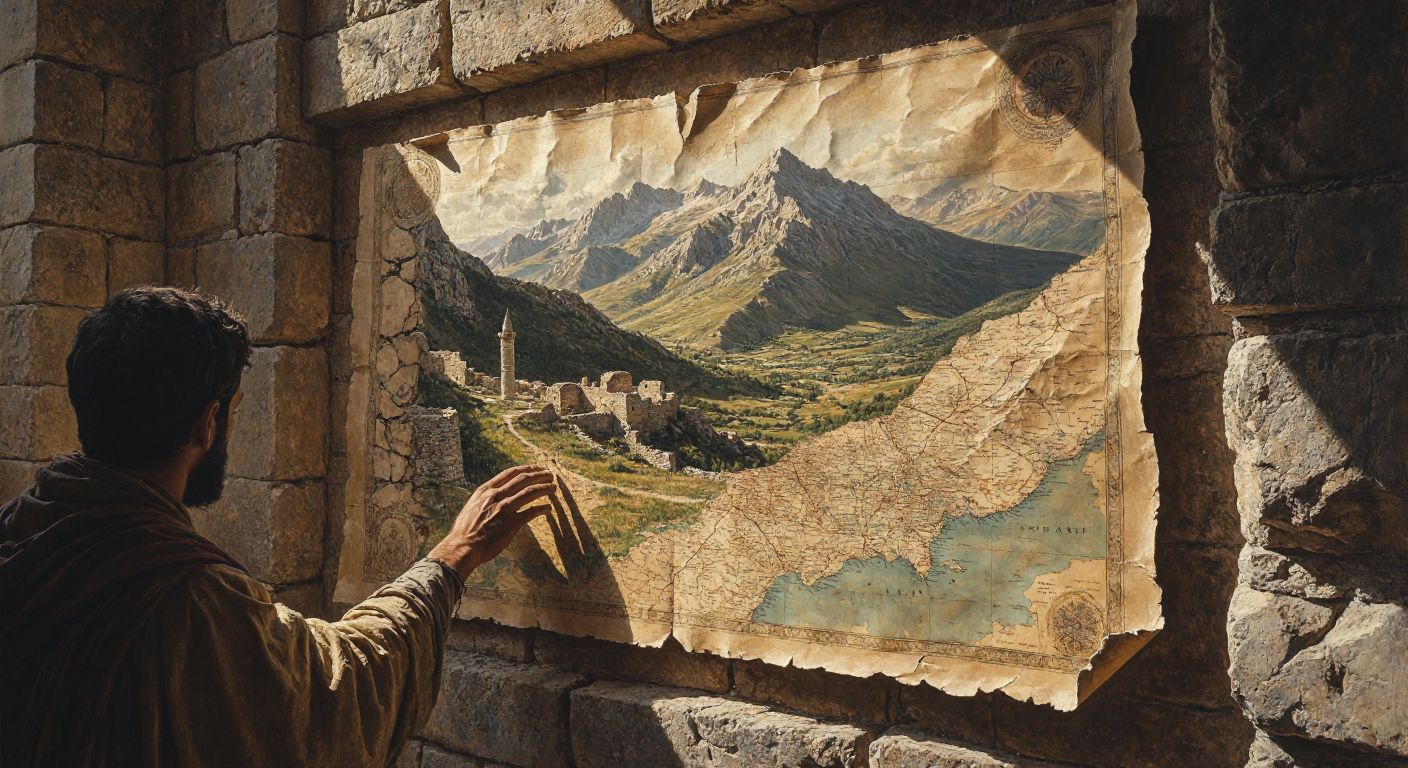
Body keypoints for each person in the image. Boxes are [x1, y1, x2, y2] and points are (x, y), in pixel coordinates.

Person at [0, 286, 555, 767]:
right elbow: (339, 696)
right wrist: (453, 556)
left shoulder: (20, 530)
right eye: (233, 410)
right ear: (209, 422)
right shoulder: (191, 602)